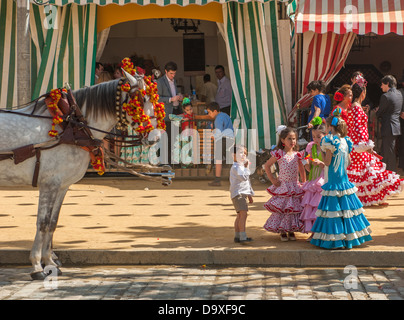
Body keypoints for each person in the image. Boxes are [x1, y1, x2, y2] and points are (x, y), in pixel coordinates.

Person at [310, 110, 372, 249]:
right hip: (344, 179)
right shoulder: (345, 141)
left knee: (333, 211)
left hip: (332, 180)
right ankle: (349, 239)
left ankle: (335, 240)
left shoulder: (329, 140)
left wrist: (322, 157)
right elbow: (348, 162)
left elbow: (327, 162)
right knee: (347, 209)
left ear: (331, 127)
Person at [347, 76, 404, 206]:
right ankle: (371, 197)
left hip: (357, 145)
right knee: (368, 172)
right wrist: (365, 145)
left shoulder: (353, 107)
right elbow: (359, 129)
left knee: (365, 173)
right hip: (359, 145)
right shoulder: (356, 108)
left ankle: (369, 198)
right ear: (363, 93)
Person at [263, 126, 306, 242]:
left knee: (293, 209)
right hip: (283, 186)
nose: (292, 141)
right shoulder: (279, 153)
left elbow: (301, 169)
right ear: (282, 140)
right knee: (283, 209)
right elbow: (267, 165)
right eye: (289, 139)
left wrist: (304, 183)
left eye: (294, 139)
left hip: (295, 185)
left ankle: (291, 230)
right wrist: (272, 179)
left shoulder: (298, 154)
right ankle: (282, 230)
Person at [300, 123, 326, 240]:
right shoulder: (311, 147)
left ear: (325, 135)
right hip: (313, 179)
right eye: (314, 137)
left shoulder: (328, 148)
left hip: (323, 180)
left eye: (318, 137)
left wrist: (321, 164)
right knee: (311, 206)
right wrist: (306, 164)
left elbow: (331, 165)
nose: (315, 139)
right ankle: (313, 232)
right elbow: (308, 164)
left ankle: (322, 231)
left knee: (320, 206)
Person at [156, 61, 183, 164]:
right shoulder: (160, 82)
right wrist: (170, 99)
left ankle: (171, 161)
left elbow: (173, 94)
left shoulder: (174, 81)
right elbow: (157, 98)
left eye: (174, 73)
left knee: (174, 137)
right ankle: (165, 162)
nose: (173, 75)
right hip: (166, 114)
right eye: (171, 73)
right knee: (166, 138)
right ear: (166, 71)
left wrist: (178, 97)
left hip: (175, 111)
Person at [376, 75, 403, 172]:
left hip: (388, 126)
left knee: (388, 152)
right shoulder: (400, 94)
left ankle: (390, 174)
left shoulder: (385, 96)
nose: (381, 87)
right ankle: (385, 173)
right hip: (395, 125)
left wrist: (377, 111)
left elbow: (380, 112)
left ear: (387, 84)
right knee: (386, 151)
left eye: (382, 84)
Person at [230, 145, 254, 244]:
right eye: (240, 153)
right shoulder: (237, 167)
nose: (243, 155)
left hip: (240, 194)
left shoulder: (240, 166)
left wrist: (249, 194)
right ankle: (243, 236)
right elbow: (244, 178)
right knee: (243, 215)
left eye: (244, 153)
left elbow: (246, 182)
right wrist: (247, 167)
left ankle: (237, 236)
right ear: (233, 155)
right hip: (238, 194)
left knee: (240, 215)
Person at [206, 102, 234, 186]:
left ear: (215, 111)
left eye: (209, 112)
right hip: (230, 139)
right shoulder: (225, 115)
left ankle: (217, 179)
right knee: (230, 160)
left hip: (223, 140)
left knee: (218, 159)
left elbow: (218, 132)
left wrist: (212, 136)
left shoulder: (218, 118)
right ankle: (233, 178)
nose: (209, 114)